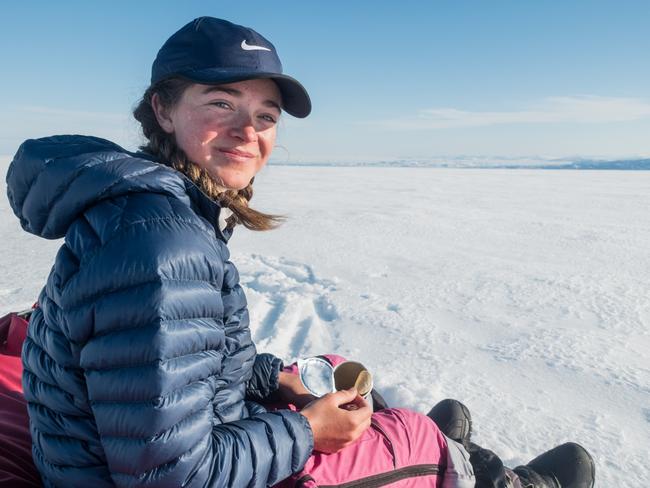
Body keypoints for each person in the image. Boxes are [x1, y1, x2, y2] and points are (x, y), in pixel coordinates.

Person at [3, 17, 593, 488]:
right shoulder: (161, 244)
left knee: (324, 375)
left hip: (110, 456)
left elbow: (171, 372)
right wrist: (309, 432)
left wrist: (270, 380)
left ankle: (438, 451)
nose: (247, 131)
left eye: (264, 116)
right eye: (221, 103)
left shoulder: (147, 212)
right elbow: (171, 476)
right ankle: (482, 475)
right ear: (163, 108)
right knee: (410, 435)